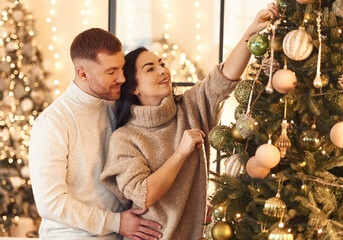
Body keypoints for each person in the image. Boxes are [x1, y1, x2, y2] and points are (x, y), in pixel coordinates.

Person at [100, 4, 279, 239]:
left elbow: (225, 76)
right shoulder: (125, 138)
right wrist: (181, 153)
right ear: (133, 87)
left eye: (161, 64)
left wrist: (251, 31)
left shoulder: (190, 107)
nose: (162, 71)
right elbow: (144, 194)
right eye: (150, 69)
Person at [29, 28, 162, 240]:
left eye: (122, 68)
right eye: (111, 72)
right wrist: (116, 222)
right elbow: (50, 203)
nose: (121, 78)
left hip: (121, 234)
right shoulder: (52, 123)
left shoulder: (116, 107)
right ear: (83, 74)